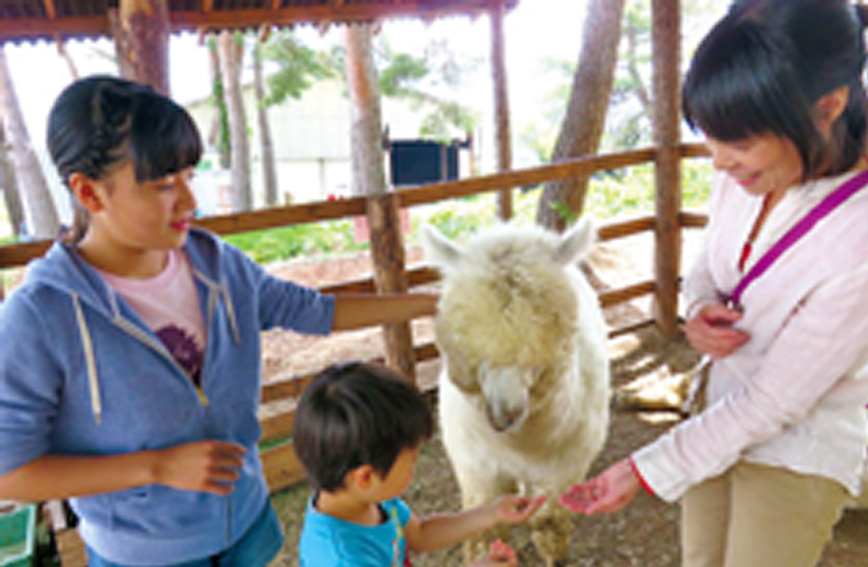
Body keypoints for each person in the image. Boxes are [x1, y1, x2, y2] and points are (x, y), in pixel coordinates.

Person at [0, 75, 438, 567]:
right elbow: (10, 472)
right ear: (89, 192)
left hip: (247, 526)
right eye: (164, 184)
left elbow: (315, 311)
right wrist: (157, 467)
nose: (189, 201)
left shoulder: (219, 266)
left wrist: (431, 306)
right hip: (144, 555)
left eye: (188, 175)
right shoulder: (40, 315)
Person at [559, 1, 868, 567]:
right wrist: (698, 306)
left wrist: (643, 469)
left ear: (829, 107)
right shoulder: (751, 165)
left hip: (798, 444)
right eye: (711, 137)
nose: (719, 162)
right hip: (715, 409)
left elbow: (778, 400)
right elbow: (710, 265)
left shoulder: (859, 237)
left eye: (740, 143)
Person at [293, 361, 545, 567]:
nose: (417, 463)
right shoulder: (341, 559)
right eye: (412, 458)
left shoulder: (369, 498)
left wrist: (492, 513)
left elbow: (420, 533)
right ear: (365, 477)